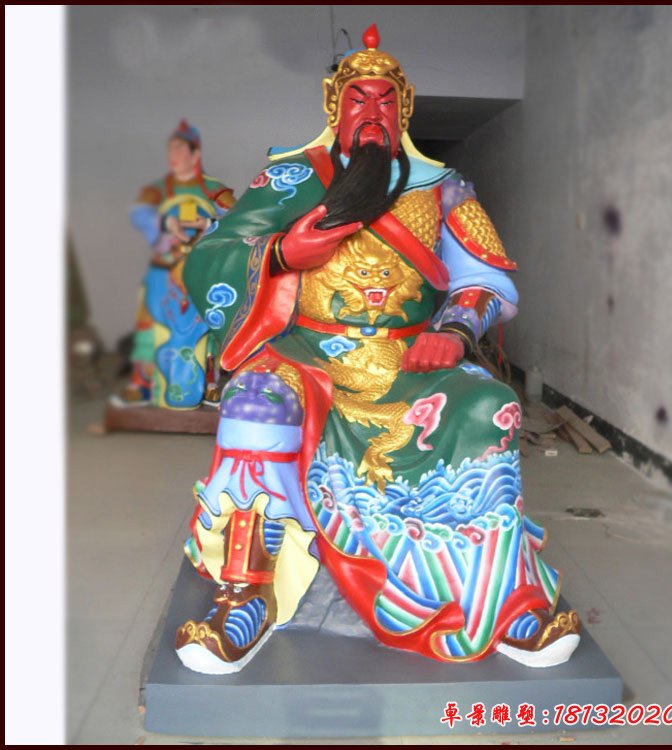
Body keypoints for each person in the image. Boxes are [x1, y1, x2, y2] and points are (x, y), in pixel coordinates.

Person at [175, 25, 580, 674]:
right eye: (357, 99)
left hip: (408, 359)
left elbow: (486, 279)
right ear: (333, 106)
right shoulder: (288, 178)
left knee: (491, 407)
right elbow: (210, 259)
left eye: (386, 100)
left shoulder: (443, 187)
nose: (372, 111)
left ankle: (500, 595)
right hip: (306, 355)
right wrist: (280, 253)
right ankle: (247, 589)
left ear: (405, 109)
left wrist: (453, 332)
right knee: (256, 399)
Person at [115, 119, 236, 409]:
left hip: (200, 273)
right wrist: (165, 222)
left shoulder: (214, 190)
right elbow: (139, 214)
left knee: (207, 328)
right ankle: (142, 383)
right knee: (149, 325)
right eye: (171, 148)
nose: (174, 155)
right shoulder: (157, 190)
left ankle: (209, 383)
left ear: (196, 154)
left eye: (181, 148)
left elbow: (237, 220)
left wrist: (208, 223)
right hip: (163, 271)